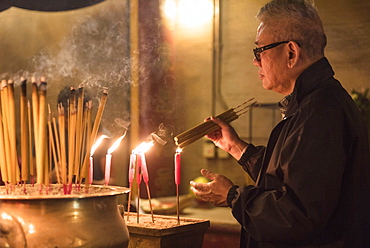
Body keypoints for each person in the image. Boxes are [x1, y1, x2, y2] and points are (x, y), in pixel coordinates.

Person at [190, 0, 370, 247]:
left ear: (291, 53)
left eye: (259, 51)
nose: (256, 61)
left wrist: (232, 196)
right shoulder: (313, 103)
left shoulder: (320, 112)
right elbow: (292, 175)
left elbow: (296, 215)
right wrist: (236, 148)